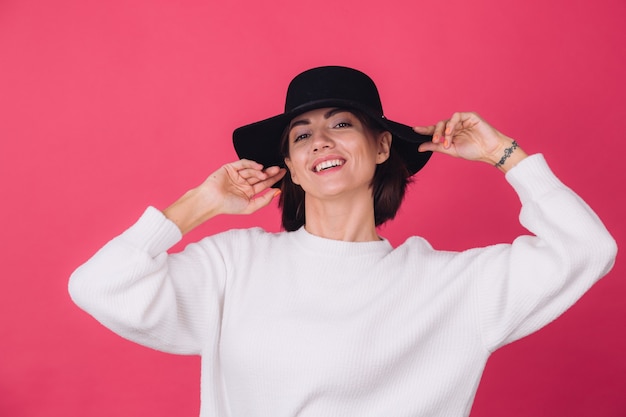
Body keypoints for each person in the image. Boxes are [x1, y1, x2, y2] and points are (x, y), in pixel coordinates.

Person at [69, 66, 617, 417]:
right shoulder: (233, 265)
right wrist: (201, 203)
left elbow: (588, 250)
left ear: (382, 147)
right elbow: (98, 286)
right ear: (290, 168)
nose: (320, 141)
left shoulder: (451, 285)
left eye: (341, 125)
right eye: (301, 135)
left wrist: (506, 155)